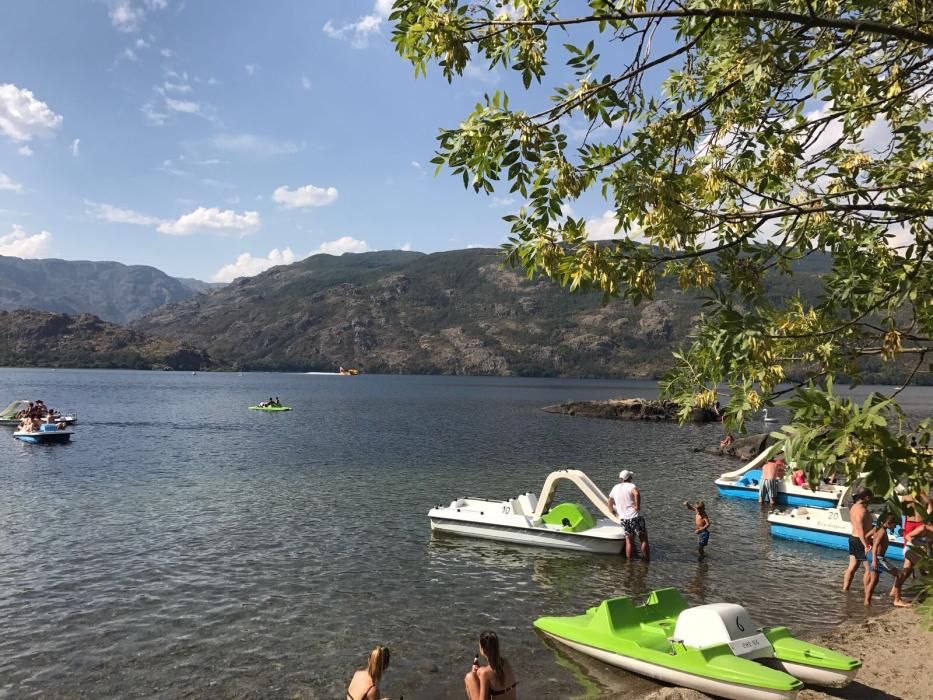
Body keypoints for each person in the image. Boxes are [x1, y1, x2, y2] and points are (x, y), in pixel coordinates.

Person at [864, 513, 911, 607]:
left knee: (874, 580)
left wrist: (868, 545)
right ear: (889, 523)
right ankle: (897, 600)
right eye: (894, 524)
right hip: (877, 557)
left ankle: (867, 602)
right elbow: (876, 545)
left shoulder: (876, 528)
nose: (895, 526)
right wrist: (874, 560)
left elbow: (866, 537)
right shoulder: (881, 532)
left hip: (870, 555)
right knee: (899, 574)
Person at [608, 469, 650, 561]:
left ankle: (629, 562)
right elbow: (637, 493)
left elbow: (610, 500)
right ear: (629, 478)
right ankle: (646, 561)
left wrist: (612, 511)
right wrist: (637, 506)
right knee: (643, 539)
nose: (632, 478)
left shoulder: (615, 487)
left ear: (621, 479)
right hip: (635, 517)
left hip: (624, 519)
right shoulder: (631, 486)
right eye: (631, 477)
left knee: (629, 542)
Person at [465, 630, 517, 700]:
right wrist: (479, 671)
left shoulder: (485, 673)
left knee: (470, 677)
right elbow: (495, 676)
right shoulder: (506, 661)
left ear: (483, 649)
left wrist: (476, 673)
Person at [842, 487, 874, 593]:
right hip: (861, 540)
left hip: (853, 538)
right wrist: (866, 545)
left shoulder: (854, 506)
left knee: (852, 566)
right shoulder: (861, 511)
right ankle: (867, 593)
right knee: (869, 569)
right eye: (870, 498)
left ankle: (845, 589)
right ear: (866, 497)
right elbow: (860, 530)